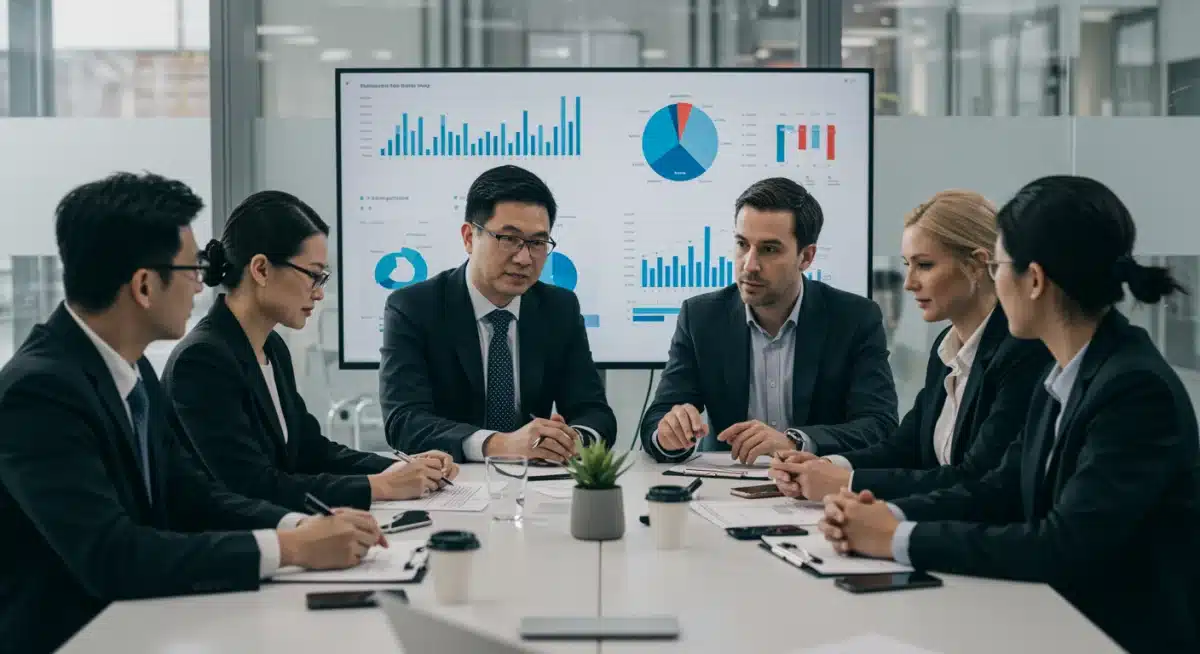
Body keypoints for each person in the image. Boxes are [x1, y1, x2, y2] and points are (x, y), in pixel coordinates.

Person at [0, 173, 384, 654]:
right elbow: (112, 554)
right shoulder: (39, 391)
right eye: (190, 270)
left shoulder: (132, 369)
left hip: (147, 620)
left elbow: (192, 496)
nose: (202, 284)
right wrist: (292, 549)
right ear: (144, 285)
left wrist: (298, 526)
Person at [817, 176, 1200, 654]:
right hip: (1049, 620)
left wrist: (899, 539)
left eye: (998, 266)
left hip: (1108, 638)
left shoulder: (1134, 391)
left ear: (1034, 280)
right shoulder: (1067, 372)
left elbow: (1063, 546)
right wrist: (882, 514)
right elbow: (997, 488)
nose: (995, 281)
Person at [162, 191, 459, 513]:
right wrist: (381, 486)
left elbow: (310, 451)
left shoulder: (271, 347)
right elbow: (250, 485)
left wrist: (404, 467)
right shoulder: (203, 360)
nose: (318, 293)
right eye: (313, 275)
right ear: (260, 269)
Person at [769, 190, 1050, 500]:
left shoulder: (1022, 351)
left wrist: (847, 483)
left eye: (925, 265)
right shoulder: (946, 348)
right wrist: (825, 465)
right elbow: (905, 447)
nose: (909, 282)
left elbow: (977, 477)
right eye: (907, 265)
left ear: (977, 264)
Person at [639, 177, 898, 463]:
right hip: (726, 487)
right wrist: (668, 434)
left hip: (818, 488)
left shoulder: (854, 319)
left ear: (806, 257)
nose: (750, 265)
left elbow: (880, 426)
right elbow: (657, 419)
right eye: (742, 244)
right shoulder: (701, 318)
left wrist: (794, 441)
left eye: (769, 249)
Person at [380, 165, 617, 463]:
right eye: (508, 239)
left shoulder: (559, 308)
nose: (524, 257)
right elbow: (404, 422)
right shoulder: (414, 307)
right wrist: (498, 445)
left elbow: (595, 412)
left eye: (538, 243)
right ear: (469, 237)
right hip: (449, 480)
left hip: (535, 482)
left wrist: (571, 440)